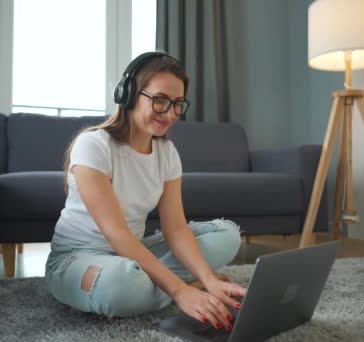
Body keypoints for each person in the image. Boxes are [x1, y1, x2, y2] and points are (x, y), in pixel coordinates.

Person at [45, 52, 247, 332]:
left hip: (132, 254)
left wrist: (210, 281)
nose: (170, 113)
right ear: (128, 94)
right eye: (160, 99)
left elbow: (175, 228)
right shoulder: (93, 145)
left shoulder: (166, 152)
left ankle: (171, 284)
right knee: (123, 285)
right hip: (76, 259)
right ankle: (180, 285)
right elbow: (117, 235)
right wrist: (179, 291)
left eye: (178, 104)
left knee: (227, 235)